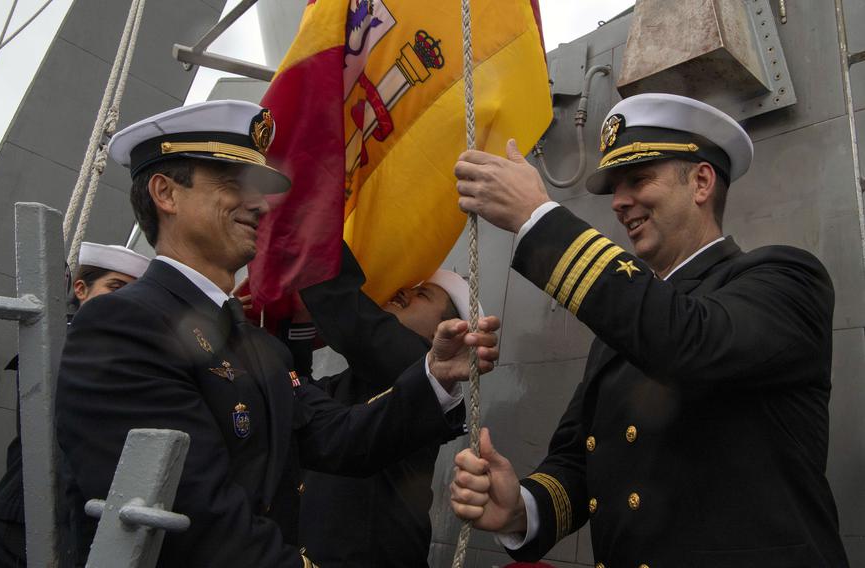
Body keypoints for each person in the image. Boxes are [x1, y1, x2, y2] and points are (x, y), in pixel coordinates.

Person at [55, 99, 501, 567]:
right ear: (166, 193)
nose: (258, 205)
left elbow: (338, 436)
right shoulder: (124, 325)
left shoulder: (256, 345)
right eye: (233, 183)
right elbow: (198, 521)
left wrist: (435, 376)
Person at [449, 93, 849, 567]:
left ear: (701, 182)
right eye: (616, 187)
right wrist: (521, 508)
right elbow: (578, 463)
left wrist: (538, 218)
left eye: (638, 179)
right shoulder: (624, 328)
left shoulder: (787, 280)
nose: (619, 203)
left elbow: (688, 343)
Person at [287, 242, 478, 567]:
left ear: (446, 333)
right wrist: (298, 323)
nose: (401, 294)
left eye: (423, 295)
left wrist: (310, 233)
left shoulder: (415, 360)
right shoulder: (348, 381)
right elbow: (294, 397)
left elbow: (355, 323)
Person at [0, 242, 149, 568]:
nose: (122, 300)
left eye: (133, 293)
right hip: (26, 520)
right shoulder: (60, 344)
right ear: (81, 288)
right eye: (114, 287)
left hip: (79, 519)